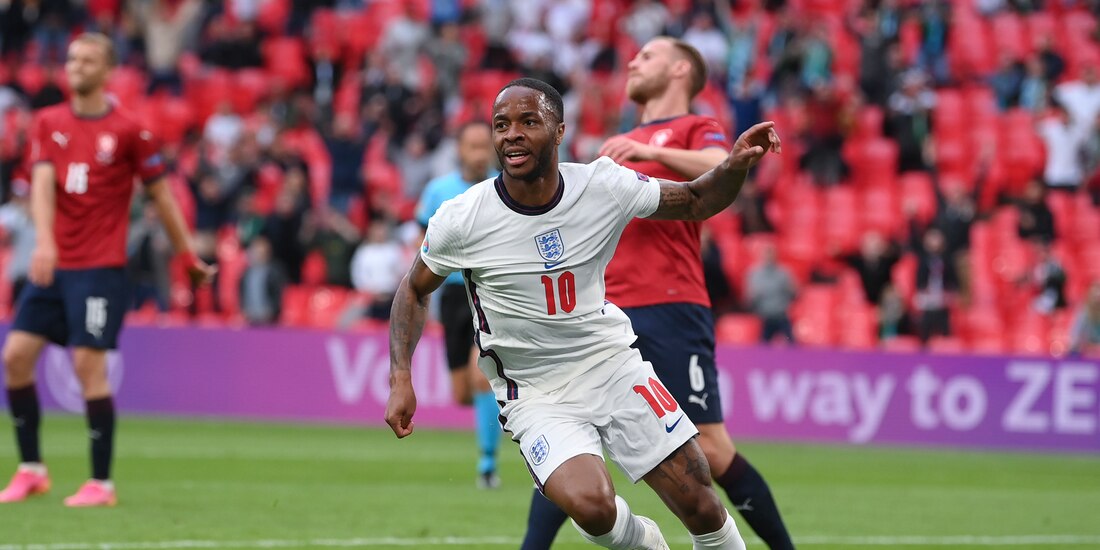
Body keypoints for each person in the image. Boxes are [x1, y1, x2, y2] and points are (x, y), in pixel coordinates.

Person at [386, 77, 780, 550]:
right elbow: (412, 289)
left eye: (528, 122)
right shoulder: (462, 217)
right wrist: (401, 376)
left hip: (611, 365)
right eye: (501, 124)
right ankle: (645, 543)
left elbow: (696, 200)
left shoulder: (603, 186)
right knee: (593, 506)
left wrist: (734, 166)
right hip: (533, 391)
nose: (511, 133)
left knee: (700, 502)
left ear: (558, 131)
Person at [520, 37, 796, 550]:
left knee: (710, 450)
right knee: (572, 434)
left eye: (646, 56)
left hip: (669, 304)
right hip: (603, 310)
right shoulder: (617, 141)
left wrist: (647, 151)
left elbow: (720, 169)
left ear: (679, 70)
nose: (631, 61)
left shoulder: (695, 127)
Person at [0, 33, 214, 507]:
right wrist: (45, 243)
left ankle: (101, 482)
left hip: (101, 268)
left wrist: (187, 258)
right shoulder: (46, 122)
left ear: (108, 69)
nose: (76, 65)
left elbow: (161, 196)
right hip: (54, 262)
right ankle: (32, 469)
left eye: (88, 59)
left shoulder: (130, 131)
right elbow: (41, 185)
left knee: (86, 366)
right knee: (15, 356)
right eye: (72, 58)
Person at [412, 120, 502, 488]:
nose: (480, 153)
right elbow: (424, 241)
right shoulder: (439, 191)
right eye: (473, 146)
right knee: (462, 390)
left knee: (481, 377)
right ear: (460, 150)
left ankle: (487, 465)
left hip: (488, 288)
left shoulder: (504, 187)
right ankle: (506, 415)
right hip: (451, 292)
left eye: (485, 146)